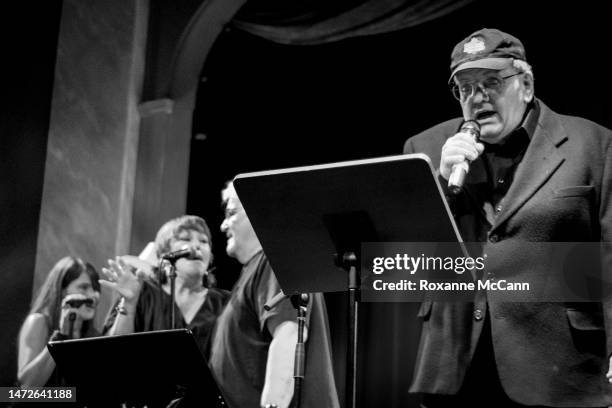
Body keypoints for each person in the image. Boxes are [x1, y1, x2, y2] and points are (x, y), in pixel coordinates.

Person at [403, 28, 612, 407]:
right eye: (465, 87)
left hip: (559, 365)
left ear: (526, 84)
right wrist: (440, 185)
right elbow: (412, 261)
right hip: (455, 363)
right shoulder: (426, 151)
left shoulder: (594, 144)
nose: (477, 97)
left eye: (492, 81)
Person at [209, 182, 340, 408]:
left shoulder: (277, 260)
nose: (222, 226)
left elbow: (287, 337)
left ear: (258, 213)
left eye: (231, 213)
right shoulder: (254, 270)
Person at [102, 215, 229, 359]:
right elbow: (112, 355)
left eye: (204, 241)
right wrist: (129, 304)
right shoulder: (143, 292)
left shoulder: (225, 302)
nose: (196, 246)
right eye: (185, 239)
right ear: (163, 254)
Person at [18, 256, 101, 387]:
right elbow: (24, 389)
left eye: (95, 289)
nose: (92, 296)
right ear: (62, 291)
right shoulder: (39, 322)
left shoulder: (92, 335)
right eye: (83, 287)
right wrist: (60, 336)